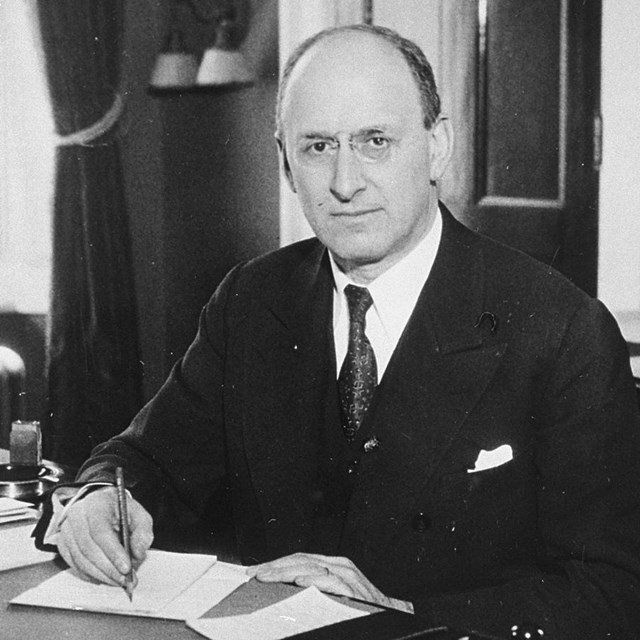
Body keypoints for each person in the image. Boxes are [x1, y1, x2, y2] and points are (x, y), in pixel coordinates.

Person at [35, 24, 640, 639]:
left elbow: (613, 594)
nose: (345, 183)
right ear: (285, 163)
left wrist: (402, 614)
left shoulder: (561, 330)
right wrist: (95, 500)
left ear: (437, 147)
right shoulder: (251, 299)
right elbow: (141, 460)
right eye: (318, 147)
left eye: (375, 141)